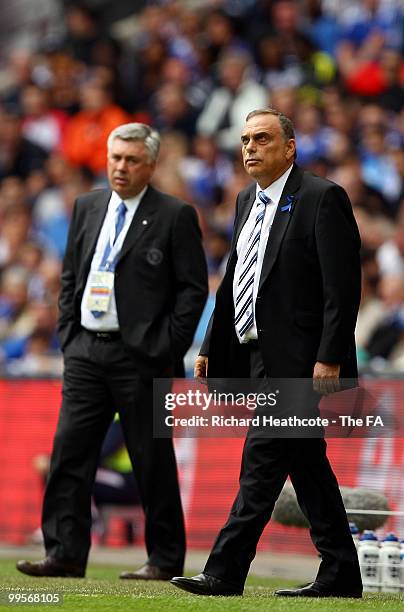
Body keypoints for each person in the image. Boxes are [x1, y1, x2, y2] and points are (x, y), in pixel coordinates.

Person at [171, 108, 363, 598]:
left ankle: (225, 570)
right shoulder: (243, 201)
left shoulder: (322, 198)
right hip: (256, 354)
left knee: (260, 464)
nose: (250, 148)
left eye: (261, 138)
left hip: (300, 361)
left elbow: (341, 288)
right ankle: (341, 570)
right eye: (245, 140)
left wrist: (331, 355)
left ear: (290, 147)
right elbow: (237, 277)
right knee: (308, 467)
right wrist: (212, 344)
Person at [17, 122, 208, 580]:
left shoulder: (174, 215)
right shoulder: (87, 206)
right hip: (87, 351)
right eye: (115, 158)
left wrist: (165, 348)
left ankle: (163, 560)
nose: (121, 167)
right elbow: (71, 278)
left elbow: (192, 292)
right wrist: (70, 334)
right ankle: (64, 552)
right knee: (69, 453)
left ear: (151, 165)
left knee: (152, 459)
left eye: (132, 160)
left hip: (141, 357)